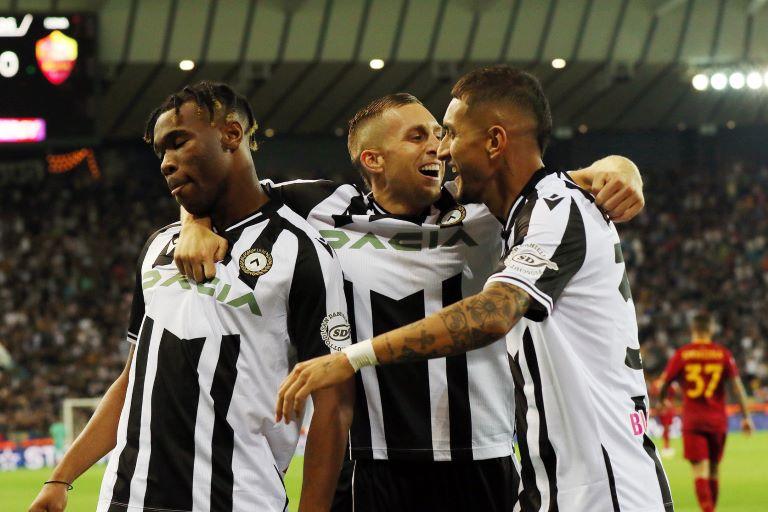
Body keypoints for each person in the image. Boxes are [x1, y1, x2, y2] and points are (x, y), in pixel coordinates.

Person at [176, 90, 645, 510]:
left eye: (441, 134)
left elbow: (567, 184)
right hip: (370, 464)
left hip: (481, 459)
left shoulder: (482, 206)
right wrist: (194, 223)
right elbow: (224, 187)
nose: (437, 147)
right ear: (373, 159)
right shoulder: (323, 208)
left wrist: (622, 167)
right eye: (417, 136)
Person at [28, 82, 353, 512]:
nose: (166, 162)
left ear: (231, 135)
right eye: (161, 151)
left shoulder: (302, 251)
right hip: (126, 500)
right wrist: (60, 478)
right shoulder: (158, 247)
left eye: (179, 142)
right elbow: (132, 379)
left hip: (237, 500)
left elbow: (333, 406)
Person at [656, 312, 754, 512]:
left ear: (693, 329)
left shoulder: (683, 354)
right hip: (718, 420)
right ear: (711, 330)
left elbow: (664, 382)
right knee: (714, 470)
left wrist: (663, 400)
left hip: (693, 421)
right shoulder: (723, 354)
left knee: (700, 471)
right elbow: (737, 388)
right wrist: (746, 417)